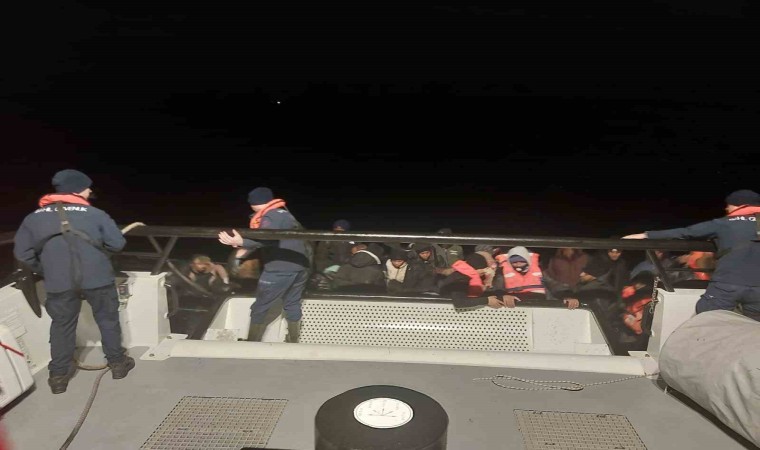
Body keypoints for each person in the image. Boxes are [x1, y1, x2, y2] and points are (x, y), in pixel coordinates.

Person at [13, 169, 134, 394]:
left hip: (58, 282)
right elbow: (117, 244)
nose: (90, 191)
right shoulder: (96, 214)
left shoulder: (33, 218)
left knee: (62, 325)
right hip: (98, 278)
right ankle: (117, 364)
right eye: (88, 188)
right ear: (78, 189)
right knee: (107, 320)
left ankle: (58, 377)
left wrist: (46, 270)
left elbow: (23, 254)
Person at [623, 189, 760, 321]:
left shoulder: (723, 224)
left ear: (740, 205)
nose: (726, 209)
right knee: (753, 326)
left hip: (728, 285)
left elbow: (686, 232)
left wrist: (647, 235)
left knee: (705, 319)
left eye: (729, 205)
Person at [218, 187, 313, 342]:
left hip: (280, 269)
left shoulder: (270, 215)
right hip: (300, 266)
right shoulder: (285, 213)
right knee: (292, 303)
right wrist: (245, 245)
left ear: (252, 203)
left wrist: (241, 241)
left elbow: (268, 237)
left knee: (260, 307)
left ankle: (252, 341)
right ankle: (293, 341)